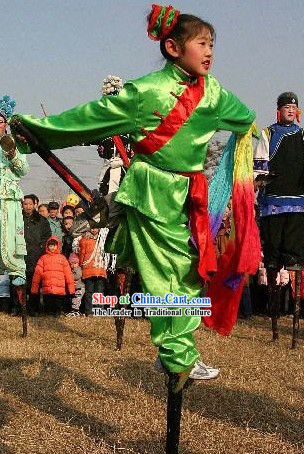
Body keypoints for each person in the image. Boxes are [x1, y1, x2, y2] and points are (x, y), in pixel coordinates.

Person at [12, 5, 257, 388]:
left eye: (213, 45)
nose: (210, 52)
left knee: (190, 274)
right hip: (150, 192)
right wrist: (36, 129)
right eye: (202, 43)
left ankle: (174, 353)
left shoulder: (215, 93)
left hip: (189, 198)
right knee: (164, 275)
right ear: (174, 48)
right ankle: (177, 356)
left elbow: (245, 117)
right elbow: (90, 118)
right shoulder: (145, 91)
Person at [254, 92, 304, 337]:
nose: (291, 111)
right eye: (286, 107)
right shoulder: (268, 133)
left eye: (294, 107)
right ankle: (273, 264)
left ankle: (293, 260)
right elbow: (260, 163)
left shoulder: (302, 134)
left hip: (298, 200)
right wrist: (261, 182)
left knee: (294, 249)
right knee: (273, 251)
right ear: (279, 110)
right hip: (273, 199)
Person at [0, 96, 29, 285]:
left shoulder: (15, 144)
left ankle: (16, 269)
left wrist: (12, 153)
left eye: (0, 121)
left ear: (5, 124)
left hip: (8, 198)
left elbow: (23, 170)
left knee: (9, 238)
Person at [23, 194, 52, 315]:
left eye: (30, 204)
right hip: (21, 255)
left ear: (35, 204)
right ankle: (18, 308)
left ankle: (34, 308)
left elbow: (47, 237)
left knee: (35, 283)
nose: (28, 206)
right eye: (25, 204)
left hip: (36, 256)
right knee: (20, 282)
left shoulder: (41, 220)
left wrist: (40, 248)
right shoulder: (17, 218)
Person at [31, 236, 75, 316]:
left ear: (57, 246)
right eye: (50, 245)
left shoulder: (62, 258)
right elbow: (37, 273)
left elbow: (68, 274)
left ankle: (58, 312)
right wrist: (34, 288)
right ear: (47, 246)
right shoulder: (43, 258)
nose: (52, 247)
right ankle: (49, 312)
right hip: (47, 287)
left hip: (59, 288)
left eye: (54, 245)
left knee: (58, 303)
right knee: (48, 302)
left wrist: (71, 289)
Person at [79, 222, 107, 316]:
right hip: (93, 269)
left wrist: (82, 264)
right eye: (92, 228)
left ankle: (93, 311)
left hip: (99, 270)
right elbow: (82, 254)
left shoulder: (103, 239)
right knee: (93, 291)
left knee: (94, 291)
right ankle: (92, 311)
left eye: (95, 228)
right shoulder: (84, 240)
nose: (93, 230)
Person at [65, 252, 85, 317]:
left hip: (79, 287)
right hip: (75, 288)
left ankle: (76, 310)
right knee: (74, 299)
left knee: (77, 299)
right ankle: (74, 310)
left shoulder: (78, 269)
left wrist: (70, 276)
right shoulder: (71, 270)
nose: (74, 265)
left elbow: (78, 276)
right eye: (72, 264)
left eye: (75, 263)